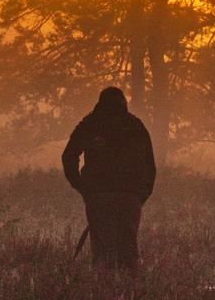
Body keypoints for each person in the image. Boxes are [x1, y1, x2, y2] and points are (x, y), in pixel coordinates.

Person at [62, 86, 156, 270]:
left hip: (99, 197)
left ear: (100, 102)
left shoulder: (90, 123)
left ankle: (104, 293)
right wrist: (139, 196)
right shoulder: (135, 125)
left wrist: (82, 187)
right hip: (129, 198)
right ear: (124, 103)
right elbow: (150, 167)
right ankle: (129, 294)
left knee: (103, 254)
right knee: (128, 252)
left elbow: (68, 156)